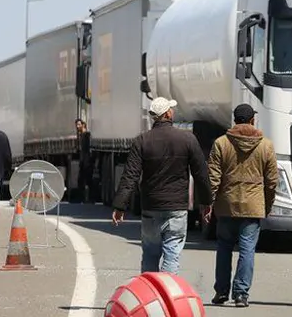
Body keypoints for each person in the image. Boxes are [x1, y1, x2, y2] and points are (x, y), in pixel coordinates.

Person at [111, 97, 213, 274]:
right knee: (172, 254)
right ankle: (167, 294)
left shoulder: (141, 141)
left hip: (151, 207)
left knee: (150, 254)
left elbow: (130, 176)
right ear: (167, 114)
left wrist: (120, 206)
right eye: (171, 109)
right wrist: (206, 202)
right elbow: (201, 174)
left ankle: (150, 295)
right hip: (176, 207)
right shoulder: (187, 139)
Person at [207, 103, 278, 308]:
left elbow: (213, 176)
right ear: (252, 120)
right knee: (247, 249)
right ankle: (241, 294)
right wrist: (267, 203)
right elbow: (272, 180)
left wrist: (209, 203)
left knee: (224, 247)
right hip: (253, 205)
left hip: (226, 204)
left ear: (234, 120)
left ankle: (221, 292)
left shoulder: (221, 143)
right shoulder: (265, 145)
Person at [75, 118, 93, 204]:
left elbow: (87, 150)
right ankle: (83, 198)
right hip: (83, 161)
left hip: (86, 161)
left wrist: (87, 160)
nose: (77, 127)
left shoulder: (86, 135)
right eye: (76, 125)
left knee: (86, 180)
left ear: (83, 125)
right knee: (81, 180)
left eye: (78, 125)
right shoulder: (81, 135)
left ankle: (88, 198)